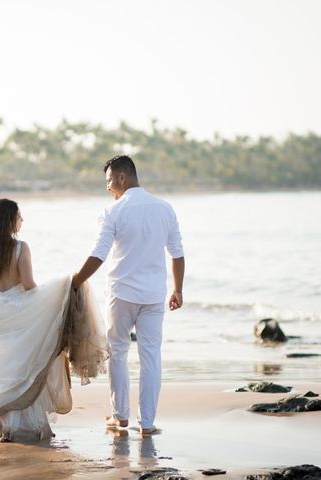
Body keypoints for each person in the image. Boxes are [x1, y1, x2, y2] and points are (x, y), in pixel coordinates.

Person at [0, 198, 107, 442]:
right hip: (17, 311)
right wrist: (53, 295)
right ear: (10, 220)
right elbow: (28, 285)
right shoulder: (20, 248)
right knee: (22, 367)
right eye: (19, 216)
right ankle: (19, 425)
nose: (22, 221)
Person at [72, 155, 185, 436]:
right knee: (151, 357)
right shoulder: (165, 208)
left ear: (122, 178)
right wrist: (178, 289)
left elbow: (98, 254)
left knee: (118, 352)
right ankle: (147, 423)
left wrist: (74, 282)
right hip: (153, 295)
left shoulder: (113, 212)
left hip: (121, 294)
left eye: (109, 181)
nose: (108, 188)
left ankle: (120, 416)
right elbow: (177, 253)